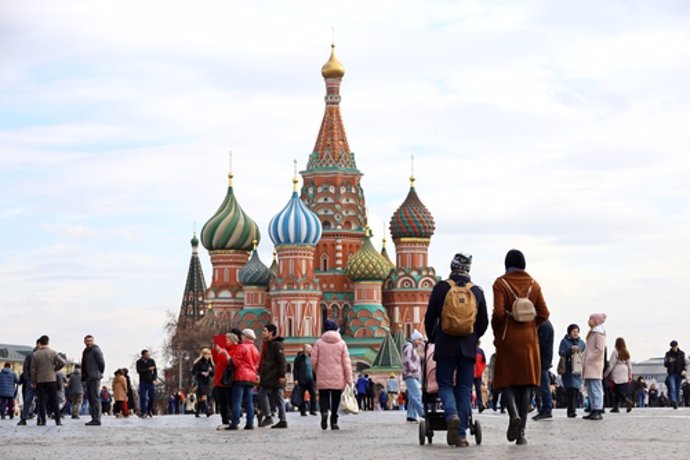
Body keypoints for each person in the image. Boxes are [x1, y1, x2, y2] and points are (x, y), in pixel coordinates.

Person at [424, 252, 489, 448]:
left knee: (444, 384)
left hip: (445, 344)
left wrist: (433, 338)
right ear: (468, 269)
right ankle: (460, 435)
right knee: (463, 389)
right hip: (468, 347)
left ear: (452, 267)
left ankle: (450, 414)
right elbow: (484, 322)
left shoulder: (442, 288)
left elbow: (429, 317)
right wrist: (473, 337)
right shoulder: (477, 291)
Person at [491, 249, 549, 445]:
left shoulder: (501, 283)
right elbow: (544, 313)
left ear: (507, 265)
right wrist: (531, 325)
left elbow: (498, 313)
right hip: (529, 340)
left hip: (508, 338)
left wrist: (499, 331)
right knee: (525, 384)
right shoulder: (534, 284)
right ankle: (521, 433)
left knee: (504, 381)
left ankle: (513, 415)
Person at [312, 319, 353, 431]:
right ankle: (334, 421)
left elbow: (313, 361)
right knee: (336, 399)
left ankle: (324, 412)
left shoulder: (318, 343)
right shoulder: (342, 343)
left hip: (322, 374)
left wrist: (317, 371)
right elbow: (346, 362)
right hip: (338, 376)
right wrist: (349, 379)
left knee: (323, 396)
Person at [228, 328, 260, 430]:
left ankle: (235, 422)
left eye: (242, 335)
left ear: (245, 336)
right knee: (249, 401)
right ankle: (250, 423)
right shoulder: (255, 349)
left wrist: (228, 358)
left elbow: (235, 363)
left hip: (240, 376)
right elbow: (257, 364)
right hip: (251, 377)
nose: (240, 337)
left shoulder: (242, 347)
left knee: (237, 401)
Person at [30, 335, 65, 426]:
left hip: (40, 380)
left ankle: (42, 420)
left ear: (40, 343)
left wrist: (33, 381)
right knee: (54, 400)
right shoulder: (52, 353)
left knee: (41, 401)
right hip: (51, 379)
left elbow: (33, 369)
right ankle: (58, 420)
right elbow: (62, 362)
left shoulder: (35, 354)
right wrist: (55, 369)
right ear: (48, 342)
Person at [258, 323, 287, 429]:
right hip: (269, 374)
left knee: (264, 393)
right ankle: (281, 419)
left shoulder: (276, 345)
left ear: (271, 332)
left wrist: (281, 375)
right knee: (277, 397)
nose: (263, 332)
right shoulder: (268, 344)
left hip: (273, 375)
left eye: (265, 331)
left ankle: (270, 416)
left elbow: (281, 361)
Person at [213, 329, 241, 429]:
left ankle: (231, 420)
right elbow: (216, 361)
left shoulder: (235, 349)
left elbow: (228, 363)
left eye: (228, 340)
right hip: (219, 380)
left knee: (229, 402)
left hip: (227, 381)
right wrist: (216, 351)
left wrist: (223, 353)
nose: (226, 341)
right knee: (221, 403)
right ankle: (224, 420)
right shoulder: (225, 350)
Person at [582, 313, 607, 420]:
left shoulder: (599, 333)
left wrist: (589, 358)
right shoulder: (594, 332)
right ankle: (593, 408)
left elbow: (600, 350)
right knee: (591, 388)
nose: (588, 321)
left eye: (590, 319)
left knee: (596, 388)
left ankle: (598, 409)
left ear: (595, 321)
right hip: (590, 365)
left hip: (594, 365)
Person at [558, 324, 586, 418]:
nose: (576, 333)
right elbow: (561, 352)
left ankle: (573, 409)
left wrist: (578, 350)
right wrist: (570, 350)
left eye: (577, 331)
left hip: (577, 368)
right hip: (568, 369)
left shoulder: (581, 342)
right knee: (570, 390)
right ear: (569, 332)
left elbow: (584, 352)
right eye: (574, 331)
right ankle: (571, 411)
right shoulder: (564, 341)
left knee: (576, 390)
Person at [80, 334, 105, 426]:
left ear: (93, 341)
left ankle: (97, 419)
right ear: (84, 342)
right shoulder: (86, 351)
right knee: (91, 399)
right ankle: (94, 418)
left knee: (95, 398)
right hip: (88, 377)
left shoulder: (96, 350)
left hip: (94, 377)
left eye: (91, 341)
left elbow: (101, 363)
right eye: (87, 341)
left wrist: (98, 373)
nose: (89, 342)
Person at [402, 329, 425, 423]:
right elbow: (407, 359)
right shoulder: (409, 346)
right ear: (415, 339)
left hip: (414, 374)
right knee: (416, 395)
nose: (420, 342)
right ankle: (423, 413)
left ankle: (411, 416)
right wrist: (413, 368)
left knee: (412, 396)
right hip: (410, 374)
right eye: (419, 340)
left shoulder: (413, 348)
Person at [605, 337, 633, 413]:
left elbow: (611, 364)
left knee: (616, 389)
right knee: (621, 389)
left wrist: (606, 373)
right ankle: (616, 407)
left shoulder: (615, 352)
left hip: (617, 371)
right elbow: (630, 365)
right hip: (624, 371)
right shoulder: (626, 352)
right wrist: (630, 375)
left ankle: (626, 401)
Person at [533, 319, 554, 420]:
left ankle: (546, 409)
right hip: (543, 358)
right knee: (542, 384)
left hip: (542, 359)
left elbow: (541, 344)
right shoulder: (545, 324)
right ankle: (544, 408)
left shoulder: (544, 325)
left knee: (544, 384)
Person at [17, 339, 40, 426]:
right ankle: (24, 417)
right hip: (32, 380)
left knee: (38, 401)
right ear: (37, 344)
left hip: (39, 381)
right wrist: (27, 380)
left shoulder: (36, 355)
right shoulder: (30, 355)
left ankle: (39, 418)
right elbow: (26, 368)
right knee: (28, 400)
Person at [293, 344, 317, 416]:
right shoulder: (299, 358)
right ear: (305, 349)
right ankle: (302, 411)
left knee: (313, 394)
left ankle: (312, 410)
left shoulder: (312, 357)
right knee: (301, 395)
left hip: (311, 379)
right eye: (309, 348)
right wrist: (296, 379)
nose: (311, 349)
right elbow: (296, 369)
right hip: (302, 379)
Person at [192, 348, 214, 417]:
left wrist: (210, 371)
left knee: (202, 397)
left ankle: (197, 412)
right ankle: (207, 411)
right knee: (203, 396)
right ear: (203, 355)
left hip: (207, 381)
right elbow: (193, 372)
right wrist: (201, 373)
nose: (208, 356)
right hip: (200, 381)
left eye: (209, 354)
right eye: (206, 354)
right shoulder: (198, 362)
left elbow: (213, 374)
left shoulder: (210, 363)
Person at [664, 340, 686, 409]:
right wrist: (669, 361)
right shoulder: (668, 354)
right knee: (672, 387)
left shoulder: (681, 353)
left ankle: (676, 401)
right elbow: (665, 364)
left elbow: (684, 363)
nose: (674, 348)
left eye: (675, 346)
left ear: (677, 346)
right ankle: (673, 401)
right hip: (671, 373)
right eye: (672, 347)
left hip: (679, 373)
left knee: (677, 388)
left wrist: (684, 370)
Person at [136, 349, 158, 417]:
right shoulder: (139, 362)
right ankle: (144, 412)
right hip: (143, 381)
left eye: (148, 355)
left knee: (152, 397)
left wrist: (154, 379)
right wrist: (148, 369)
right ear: (143, 355)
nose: (148, 356)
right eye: (146, 355)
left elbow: (155, 370)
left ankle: (149, 410)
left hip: (150, 381)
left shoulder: (151, 361)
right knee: (143, 397)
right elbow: (139, 371)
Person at [473, 340, 487, 412]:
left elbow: (484, 362)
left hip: (474, 373)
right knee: (478, 390)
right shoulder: (480, 351)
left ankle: (479, 406)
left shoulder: (480, 351)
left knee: (472, 390)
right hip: (476, 373)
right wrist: (481, 370)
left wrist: (480, 370)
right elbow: (484, 363)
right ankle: (480, 406)